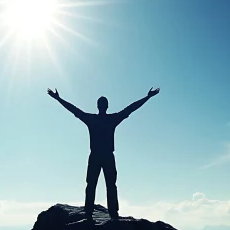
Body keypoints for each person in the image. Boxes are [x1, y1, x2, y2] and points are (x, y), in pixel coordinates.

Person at [47, 86, 160, 220]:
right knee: (109, 185)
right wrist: (147, 97)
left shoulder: (92, 119)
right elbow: (131, 108)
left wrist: (58, 98)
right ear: (107, 106)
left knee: (92, 185)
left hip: (96, 156)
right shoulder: (111, 119)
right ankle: (113, 213)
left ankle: (89, 213)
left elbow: (74, 110)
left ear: (98, 106)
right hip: (106, 156)